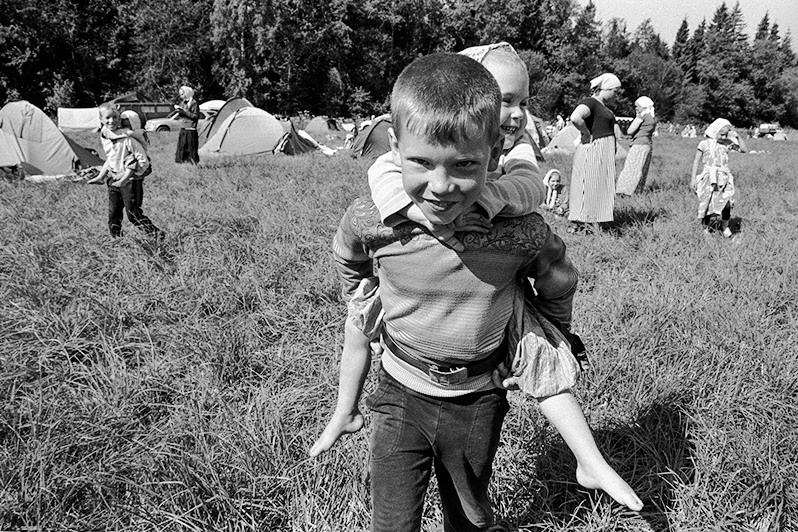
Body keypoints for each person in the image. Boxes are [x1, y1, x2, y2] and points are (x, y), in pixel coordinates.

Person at [310, 53, 642, 532]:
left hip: (477, 403)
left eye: (465, 164)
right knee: (391, 522)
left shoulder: (518, 232)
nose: (442, 186)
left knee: (468, 518)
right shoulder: (374, 220)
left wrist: (553, 332)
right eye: (421, 162)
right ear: (393, 148)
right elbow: (351, 274)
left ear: (494, 151)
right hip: (398, 394)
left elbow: (557, 283)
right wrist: (346, 401)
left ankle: (588, 460)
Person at [367, 42, 545, 249]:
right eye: (505, 100)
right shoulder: (425, 144)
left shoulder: (518, 147)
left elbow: (532, 185)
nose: (518, 113)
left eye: (523, 103)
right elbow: (381, 174)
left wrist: (478, 204)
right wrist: (421, 215)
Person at [87, 103, 161, 238]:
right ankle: (116, 239)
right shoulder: (108, 137)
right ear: (102, 120)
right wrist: (102, 176)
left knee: (133, 214)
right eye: (108, 118)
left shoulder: (129, 140)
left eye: (116, 118)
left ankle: (156, 235)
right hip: (113, 180)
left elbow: (144, 162)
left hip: (130, 183)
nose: (113, 122)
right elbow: (111, 159)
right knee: (113, 213)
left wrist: (130, 176)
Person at [567, 73, 622, 234]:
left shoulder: (603, 106)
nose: (616, 95)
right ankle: (583, 221)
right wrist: (586, 133)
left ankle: (594, 220)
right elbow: (576, 117)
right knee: (589, 183)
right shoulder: (591, 102)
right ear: (606, 88)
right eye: (615, 91)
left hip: (603, 150)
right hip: (594, 148)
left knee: (600, 185)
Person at [690, 118, 747, 237]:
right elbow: (696, 161)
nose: (723, 136)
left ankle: (725, 226)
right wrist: (693, 179)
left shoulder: (727, 143)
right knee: (707, 202)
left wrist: (737, 136)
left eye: (726, 134)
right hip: (709, 177)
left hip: (724, 177)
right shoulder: (704, 144)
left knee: (727, 202)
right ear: (714, 131)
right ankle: (705, 228)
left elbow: (744, 150)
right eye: (721, 134)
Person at [616, 96, 657, 196]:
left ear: (643, 106)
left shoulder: (642, 117)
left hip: (638, 144)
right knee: (642, 169)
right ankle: (637, 191)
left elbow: (630, 130)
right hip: (647, 144)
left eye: (638, 106)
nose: (636, 109)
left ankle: (624, 191)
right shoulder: (652, 117)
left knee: (631, 167)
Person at [174, 85, 199, 164]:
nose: (181, 96)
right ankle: (182, 163)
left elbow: (195, 116)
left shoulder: (194, 103)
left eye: (182, 94)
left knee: (191, 148)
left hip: (191, 129)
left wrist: (184, 112)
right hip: (183, 128)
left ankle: (192, 163)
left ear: (187, 93)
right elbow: (183, 115)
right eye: (180, 94)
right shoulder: (182, 103)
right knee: (182, 147)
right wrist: (179, 112)